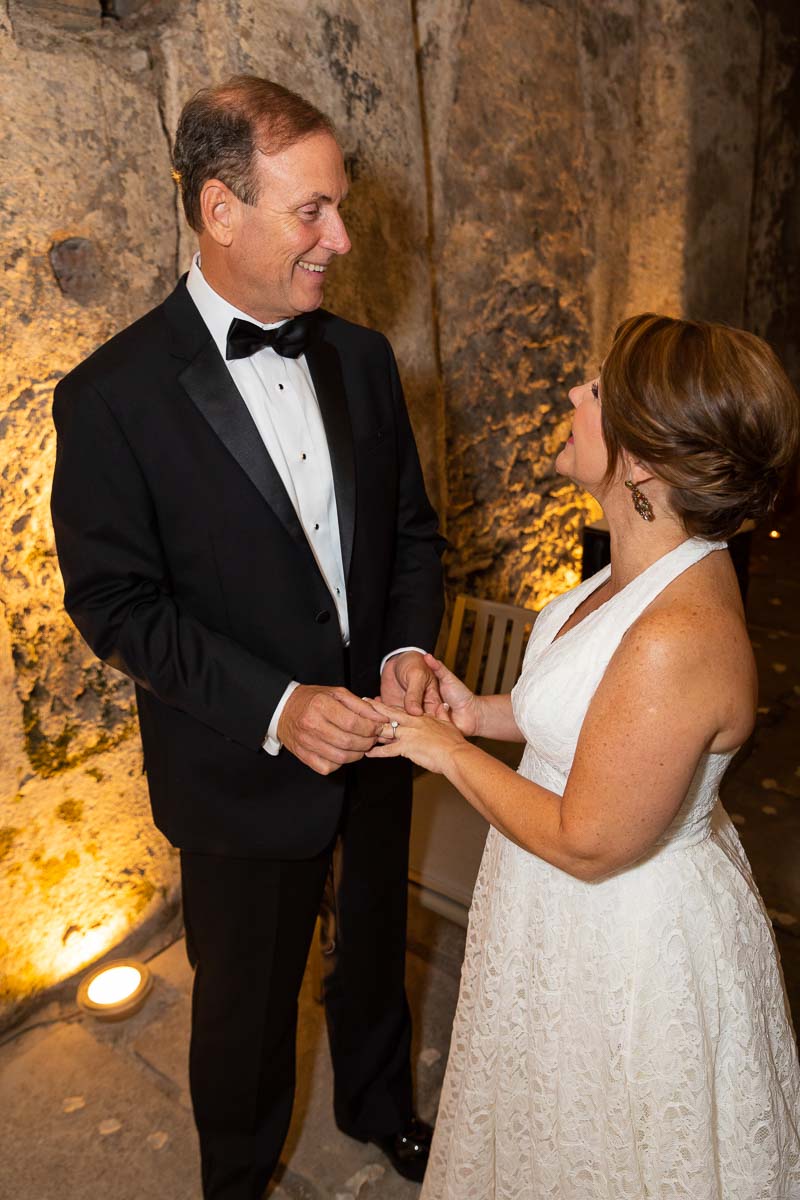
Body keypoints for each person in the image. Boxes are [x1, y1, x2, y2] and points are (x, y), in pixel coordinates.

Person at [50, 76, 446, 1199]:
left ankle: (380, 1109)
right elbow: (115, 605)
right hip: (235, 764)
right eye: (310, 210)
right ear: (220, 210)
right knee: (243, 1000)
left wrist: (402, 655)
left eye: (339, 206)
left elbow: (411, 536)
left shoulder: (363, 360)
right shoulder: (109, 397)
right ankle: (237, 1171)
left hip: (381, 735)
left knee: (373, 950)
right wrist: (277, 706)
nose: (344, 237)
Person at [368, 313, 800, 1199]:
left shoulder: (679, 633)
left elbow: (589, 838)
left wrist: (445, 752)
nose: (574, 393)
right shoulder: (637, 565)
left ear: (641, 462)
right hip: (555, 912)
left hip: (627, 939)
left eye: (598, 390)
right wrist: (477, 712)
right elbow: (592, 721)